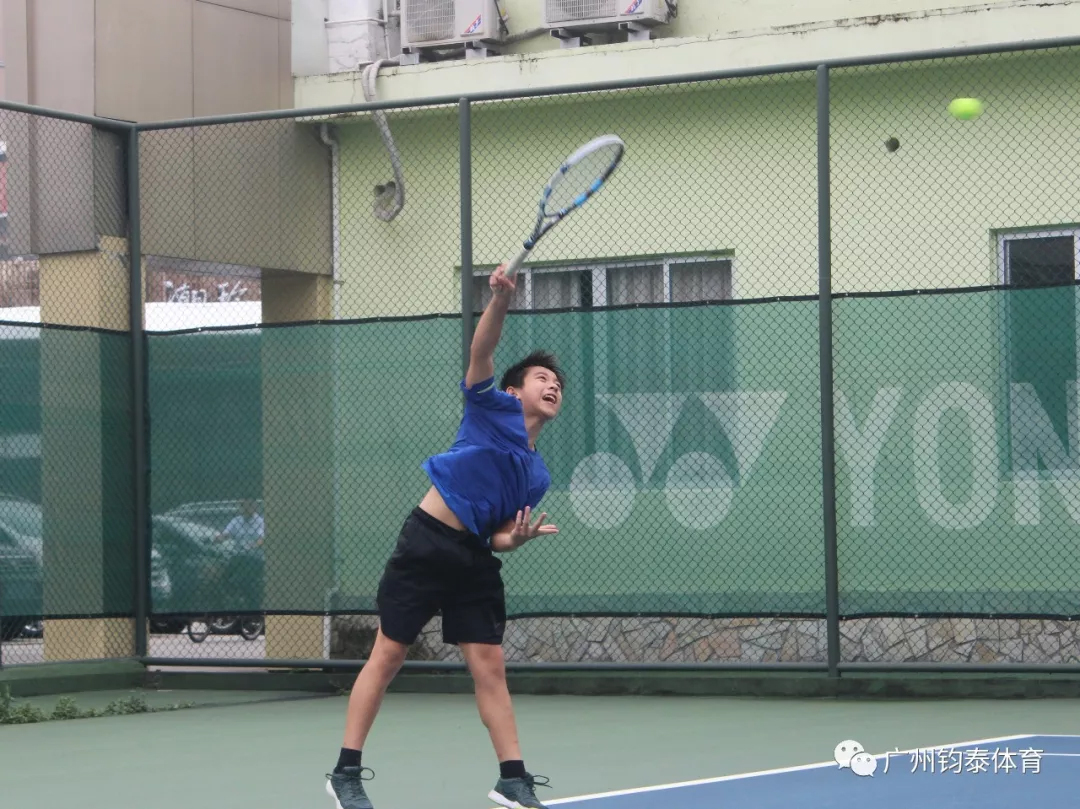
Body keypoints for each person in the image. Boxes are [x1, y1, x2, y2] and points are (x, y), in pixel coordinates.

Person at [326, 265, 565, 809]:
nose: (553, 385)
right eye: (542, 378)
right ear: (514, 391)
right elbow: (483, 351)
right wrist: (499, 300)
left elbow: (496, 537)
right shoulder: (489, 409)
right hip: (427, 541)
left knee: (491, 667)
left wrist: (516, 540)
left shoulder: (537, 475)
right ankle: (346, 773)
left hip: (472, 558)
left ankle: (513, 779)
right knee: (389, 654)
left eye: (558, 384)